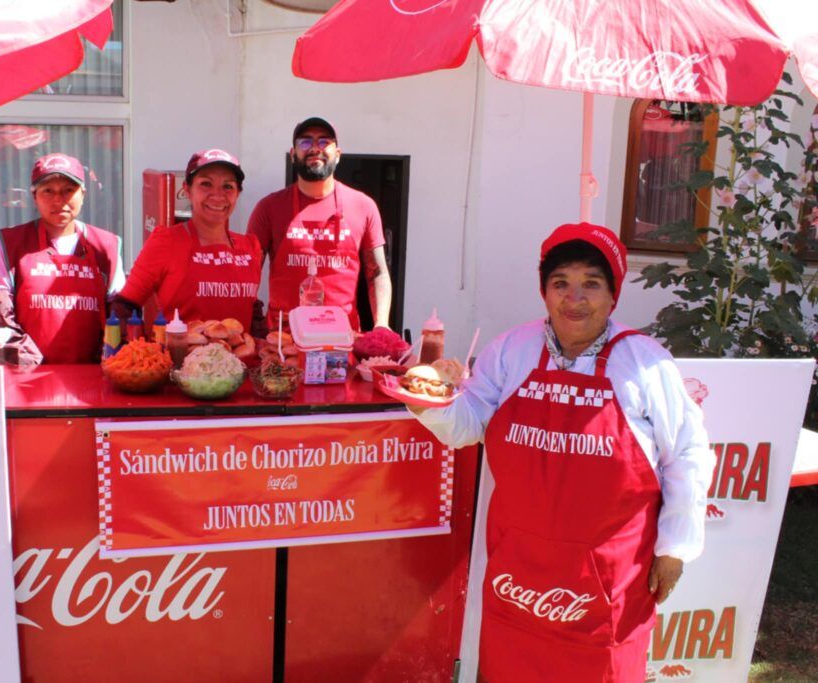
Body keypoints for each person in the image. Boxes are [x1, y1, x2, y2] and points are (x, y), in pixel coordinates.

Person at [412, 223, 714, 682]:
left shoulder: (645, 362)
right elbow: (467, 426)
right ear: (544, 292)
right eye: (561, 284)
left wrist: (675, 549)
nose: (574, 299)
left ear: (613, 295)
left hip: (610, 581)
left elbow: (687, 455)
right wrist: (429, 401)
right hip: (519, 578)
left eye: (591, 284)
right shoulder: (511, 350)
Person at [247, 116, 391, 330]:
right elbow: (248, 270)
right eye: (305, 142)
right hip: (283, 342)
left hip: (342, 342)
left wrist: (381, 324)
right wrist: (253, 318)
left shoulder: (363, 206)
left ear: (338, 155)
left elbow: (377, 272)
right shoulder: (269, 208)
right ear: (293, 154)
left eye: (324, 142)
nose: (315, 148)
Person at [0, 153, 124, 365]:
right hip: (27, 378)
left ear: (83, 194)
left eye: (69, 190)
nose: (58, 200)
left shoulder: (106, 246)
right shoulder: (10, 244)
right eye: (48, 191)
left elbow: (119, 312)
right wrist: (29, 363)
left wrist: (108, 362)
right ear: (34, 196)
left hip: (93, 378)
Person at [112, 149, 262, 332]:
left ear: (238, 193)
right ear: (187, 190)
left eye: (228, 186)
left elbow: (252, 311)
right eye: (206, 184)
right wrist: (139, 352)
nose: (217, 195)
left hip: (239, 360)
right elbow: (124, 307)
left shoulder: (250, 246)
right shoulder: (166, 241)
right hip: (180, 359)